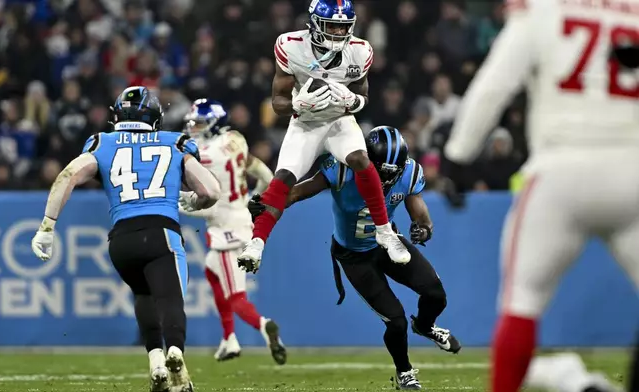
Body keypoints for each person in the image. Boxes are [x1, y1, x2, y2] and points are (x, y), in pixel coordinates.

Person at [443, 0, 639, 391]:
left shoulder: (545, 8)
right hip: (632, 171)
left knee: (521, 303)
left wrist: (458, 155)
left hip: (560, 168)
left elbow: (495, 82)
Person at [30, 86, 220, 392]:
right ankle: (175, 355)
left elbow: (68, 175)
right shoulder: (175, 143)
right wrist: (195, 203)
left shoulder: (102, 142)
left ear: (117, 115)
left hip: (121, 241)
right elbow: (210, 191)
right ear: (155, 117)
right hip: (161, 232)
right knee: (170, 298)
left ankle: (156, 363)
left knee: (144, 296)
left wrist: (47, 226)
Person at [249, 126, 461, 390]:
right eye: (381, 170)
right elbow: (296, 193)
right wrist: (269, 201)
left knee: (436, 294)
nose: (386, 177)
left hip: (388, 242)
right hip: (354, 256)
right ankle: (404, 372)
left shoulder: (408, 172)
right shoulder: (341, 168)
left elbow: (422, 216)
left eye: (392, 172)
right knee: (394, 320)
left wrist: (423, 229)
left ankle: (426, 326)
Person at [238, 0, 411, 274]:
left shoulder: (360, 50)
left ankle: (384, 232)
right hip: (305, 121)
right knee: (283, 177)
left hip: (339, 119)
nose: (339, 34)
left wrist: (353, 101)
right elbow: (278, 101)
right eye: (332, 26)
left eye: (344, 28)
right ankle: (256, 243)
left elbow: (363, 96)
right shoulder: (291, 44)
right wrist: (296, 105)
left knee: (361, 160)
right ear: (316, 23)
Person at [178, 99, 287, 364]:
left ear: (214, 124)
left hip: (226, 227)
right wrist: (254, 199)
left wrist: (179, 203)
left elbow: (209, 203)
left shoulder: (204, 154)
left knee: (237, 296)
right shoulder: (234, 139)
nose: (194, 128)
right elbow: (263, 172)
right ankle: (229, 340)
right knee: (212, 270)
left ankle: (264, 325)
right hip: (238, 217)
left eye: (200, 123)